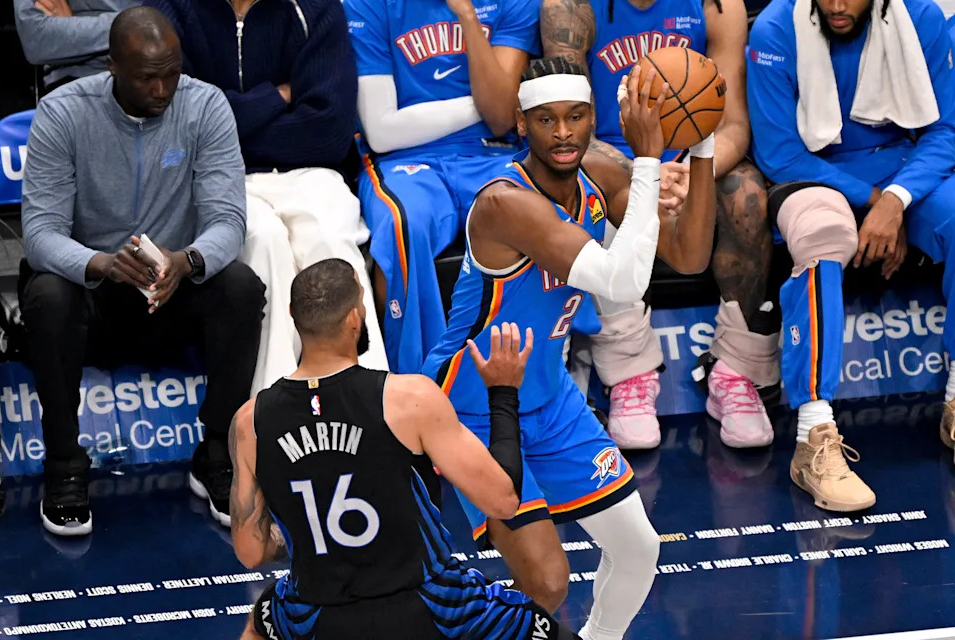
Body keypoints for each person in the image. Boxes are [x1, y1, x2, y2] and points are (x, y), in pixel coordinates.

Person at [423, 57, 718, 639]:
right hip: (474, 404)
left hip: (550, 396)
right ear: (521, 123)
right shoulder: (505, 203)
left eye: (577, 117)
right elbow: (620, 282)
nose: (563, 133)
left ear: (592, 117)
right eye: (546, 119)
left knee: (638, 550)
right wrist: (649, 160)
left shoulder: (600, 173)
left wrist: (702, 142)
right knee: (547, 582)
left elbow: (689, 256)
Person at [229, 258, 580, 640]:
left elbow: (250, 551)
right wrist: (503, 392)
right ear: (354, 318)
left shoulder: (250, 422)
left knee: (260, 622)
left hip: (320, 615)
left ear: (293, 315)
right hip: (430, 607)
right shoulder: (408, 398)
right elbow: (504, 501)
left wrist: (304, 535)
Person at [19, 6, 264, 535]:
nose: (162, 90)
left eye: (171, 74)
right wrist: (100, 264)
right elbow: (39, 234)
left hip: (170, 290)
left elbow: (228, 220)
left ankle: (217, 453)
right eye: (147, 78)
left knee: (241, 287)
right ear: (111, 67)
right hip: (94, 294)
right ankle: (63, 465)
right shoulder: (63, 113)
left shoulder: (205, 106)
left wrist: (187, 260)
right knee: (47, 295)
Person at [540, 0, 780, 451]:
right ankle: (628, 373)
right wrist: (643, 171)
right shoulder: (569, 7)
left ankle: (737, 373)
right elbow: (569, 127)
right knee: (593, 193)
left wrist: (693, 173)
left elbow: (733, 125)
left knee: (745, 194)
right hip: (607, 158)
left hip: (690, 157)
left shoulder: (717, 6)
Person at [747, 0, 955, 510]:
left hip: (903, 167)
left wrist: (898, 199)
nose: (838, 6)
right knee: (822, 234)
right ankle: (813, 436)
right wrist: (876, 202)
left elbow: (946, 130)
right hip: (812, 171)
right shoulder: (775, 28)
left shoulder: (922, 18)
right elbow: (779, 153)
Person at [144, 0, 388, 396]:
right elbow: (176, 120)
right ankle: (274, 411)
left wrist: (224, 126)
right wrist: (276, 97)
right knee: (264, 242)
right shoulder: (171, 7)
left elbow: (327, 133)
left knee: (329, 243)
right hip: (218, 176)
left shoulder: (316, 7)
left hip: (312, 172)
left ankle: (367, 403)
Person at [343, 0, 540, 374]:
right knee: (403, 224)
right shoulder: (367, 4)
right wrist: (488, 103)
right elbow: (382, 132)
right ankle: (418, 380)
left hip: (491, 151)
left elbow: (501, 119)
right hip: (404, 158)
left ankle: (544, 368)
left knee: (538, 205)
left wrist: (466, 14)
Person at [14, 0, 140, 94]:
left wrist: (70, 28)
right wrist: (136, 28)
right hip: (73, 86)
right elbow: (37, 40)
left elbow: (153, 25)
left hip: (141, 78)